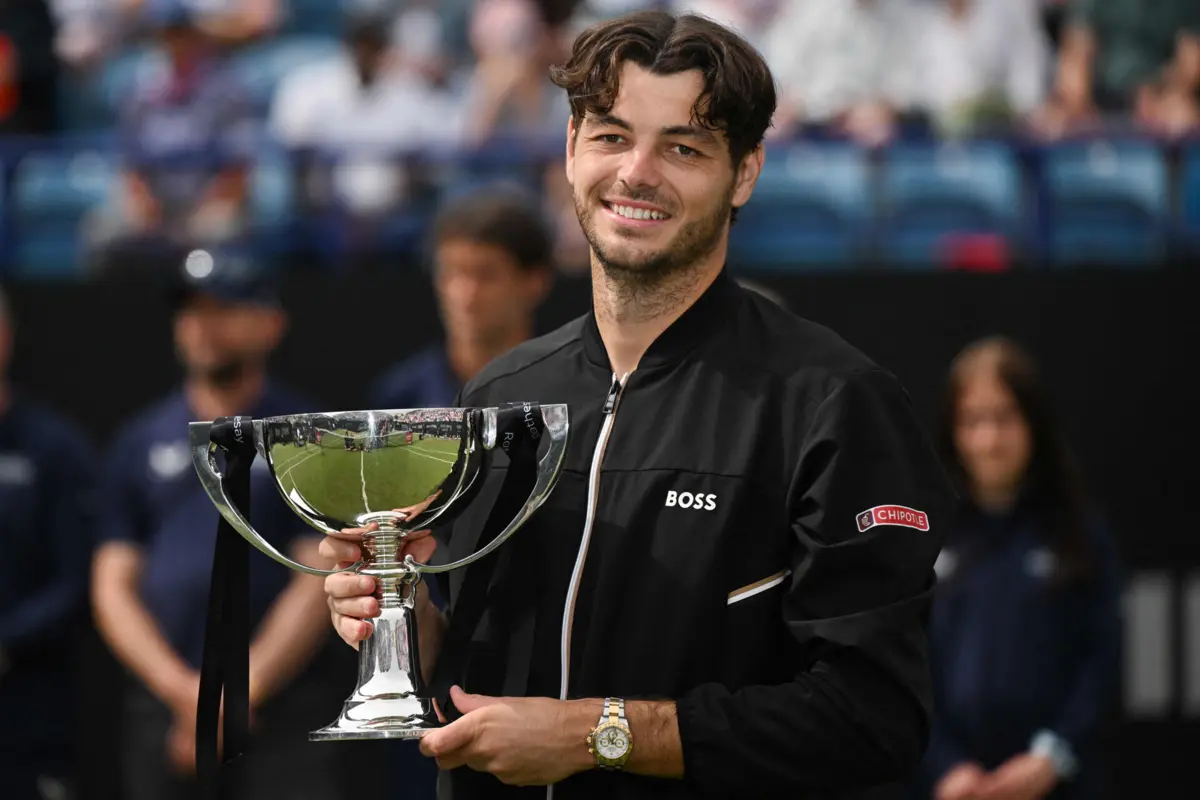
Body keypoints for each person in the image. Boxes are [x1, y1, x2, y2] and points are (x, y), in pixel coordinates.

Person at [324, 10, 954, 800]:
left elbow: (872, 719)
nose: (636, 172)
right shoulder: (499, 394)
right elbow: (471, 658)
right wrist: (399, 614)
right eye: (612, 136)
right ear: (570, 150)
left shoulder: (832, 401)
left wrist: (598, 735)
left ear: (745, 173)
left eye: (683, 148)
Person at [89, 254, 350, 800]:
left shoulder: (306, 436)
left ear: (271, 323)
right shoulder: (138, 440)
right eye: (190, 311)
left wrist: (240, 693)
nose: (202, 325)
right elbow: (112, 583)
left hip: (280, 708)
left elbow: (319, 572)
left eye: (223, 308)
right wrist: (186, 696)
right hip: (162, 705)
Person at [913, 337, 1122, 800]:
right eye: (972, 420)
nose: (989, 439)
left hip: (1060, 784)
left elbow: (1103, 659)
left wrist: (1053, 754)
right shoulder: (926, 536)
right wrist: (944, 766)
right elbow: (904, 667)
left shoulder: (1077, 531)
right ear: (952, 430)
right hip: (953, 788)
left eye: (1004, 417)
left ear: (1033, 423)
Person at [0, 287, 97, 800]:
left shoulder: (53, 448)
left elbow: (79, 580)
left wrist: (7, 638)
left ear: (6, 336)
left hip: (29, 703)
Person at [370, 186, 553, 411]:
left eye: (486, 275)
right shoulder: (400, 396)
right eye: (452, 273)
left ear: (535, 282)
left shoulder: (572, 390)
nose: (466, 294)